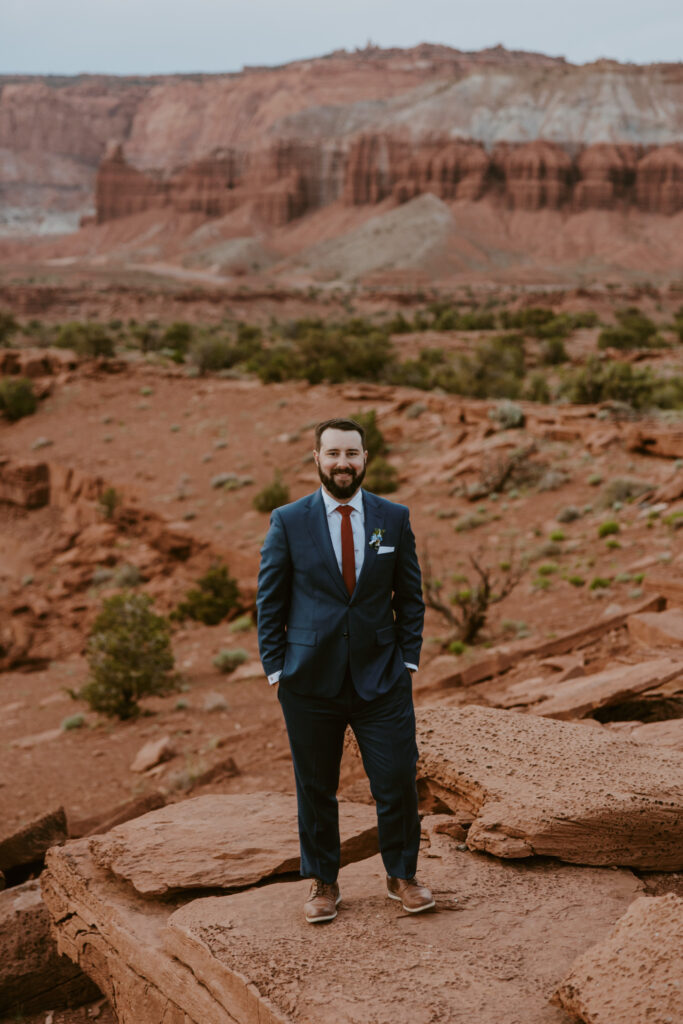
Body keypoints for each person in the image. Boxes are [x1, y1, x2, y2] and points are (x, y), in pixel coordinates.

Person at [256, 417, 433, 923]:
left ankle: (402, 875)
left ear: (364, 458)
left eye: (351, 454)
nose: (342, 463)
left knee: (397, 778)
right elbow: (270, 601)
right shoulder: (288, 520)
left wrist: (406, 658)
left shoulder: (392, 518)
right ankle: (323, 882)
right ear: (316, 459)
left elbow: (411, 596)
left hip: (383, 679)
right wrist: (277, 670)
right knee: (316, 786)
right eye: (333, 453)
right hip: (309, 681)